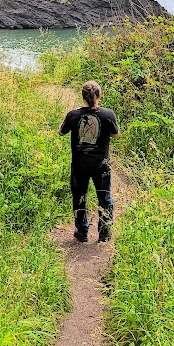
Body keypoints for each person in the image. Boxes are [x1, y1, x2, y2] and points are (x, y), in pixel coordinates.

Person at [59, 81, 119, 243]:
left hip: (80, 164)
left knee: (79, 196)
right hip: (101, 165)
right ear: (99, 95)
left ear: (82, 96)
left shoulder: (74, 115)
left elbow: (61, 132)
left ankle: (81, 231)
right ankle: (104, 233)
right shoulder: (108, 114)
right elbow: (115, 135)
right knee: (104, 197)